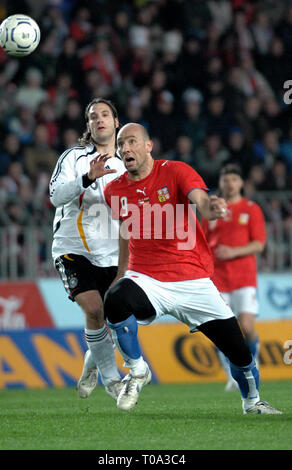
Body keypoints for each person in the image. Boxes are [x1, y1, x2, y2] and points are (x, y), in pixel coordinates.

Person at [103, 122, 282, 415]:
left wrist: (211, 207)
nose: (125, 149)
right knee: (116, 299)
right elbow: (125, 231)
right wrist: (121, 275)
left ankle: (252, 402)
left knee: (240, 353)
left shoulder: (175, 171)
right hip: (147, 279)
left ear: (148, 146)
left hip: (193, 280)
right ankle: (137, 371)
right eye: (121, 144)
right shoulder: (114, 190)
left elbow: (201, 201)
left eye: (132, 142)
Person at [49, 98, 125, 400]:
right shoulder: (74, 158)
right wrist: (87, 178)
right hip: (72, 248)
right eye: (93, 116)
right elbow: (55, 196)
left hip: (113, 253)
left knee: (119, 319)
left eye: (105, 115)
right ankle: (112, 381)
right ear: (89, 125)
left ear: (116, 122)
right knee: (94, 308)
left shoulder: (126, 164)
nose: (100, 120)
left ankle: (94, 359)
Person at [201, 164, 266, 391]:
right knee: (223, 329)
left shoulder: (251, 209)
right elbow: (203, 242)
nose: (229, 184)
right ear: (221, 183)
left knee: (246, 327)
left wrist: (232, 251)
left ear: (241, 183)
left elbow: (259, 243)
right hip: (218, 277)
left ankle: (252, 362)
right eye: (225, 179)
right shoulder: (213, 210)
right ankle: (232, 374)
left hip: (244, 277)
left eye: (233, 180)